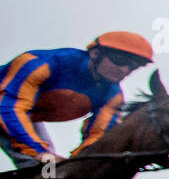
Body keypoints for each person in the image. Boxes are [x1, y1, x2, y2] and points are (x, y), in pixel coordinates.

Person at [0, 31, 153, 169]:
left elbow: (98, 135)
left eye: (133, 66)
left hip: (22, 115)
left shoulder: (113, 96)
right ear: (95, 53)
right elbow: (9, 109)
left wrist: (75, 165)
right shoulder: (37, 63)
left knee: (50, 171)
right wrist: (38, 151)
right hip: (7, 109)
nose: (124, 70)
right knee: (39, 161)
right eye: (119, 60)